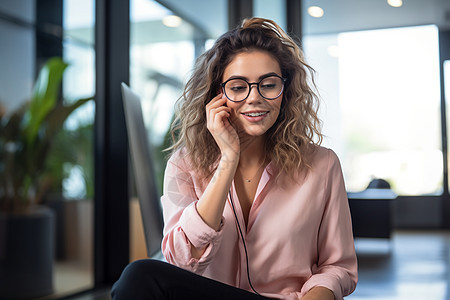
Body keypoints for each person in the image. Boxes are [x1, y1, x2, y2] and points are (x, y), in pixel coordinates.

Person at [112, 17, 357, 300]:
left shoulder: (322, 165)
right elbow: (181, 259)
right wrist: (228, 159)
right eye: (239, 87)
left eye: (268, 84)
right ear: (218, 95)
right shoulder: (184, 164)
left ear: (285, 92)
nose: (254, 98)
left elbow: (338, 267)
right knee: (139, 277)